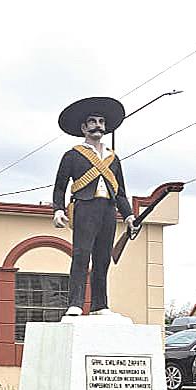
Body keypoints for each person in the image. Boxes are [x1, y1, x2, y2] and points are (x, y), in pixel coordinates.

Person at [51, 96, 138, 316]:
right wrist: (58, 209)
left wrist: (128, 216)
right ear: (84, 127)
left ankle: (100, 305)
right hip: (84, 207)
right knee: (81, 256)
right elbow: (60, 186)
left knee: (102, 258)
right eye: (92, 121)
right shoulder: (72, 155)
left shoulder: (113, 159)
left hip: (108, 210)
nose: (97, 125)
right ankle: (76, 303)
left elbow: (120, 192)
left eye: (101, 121)